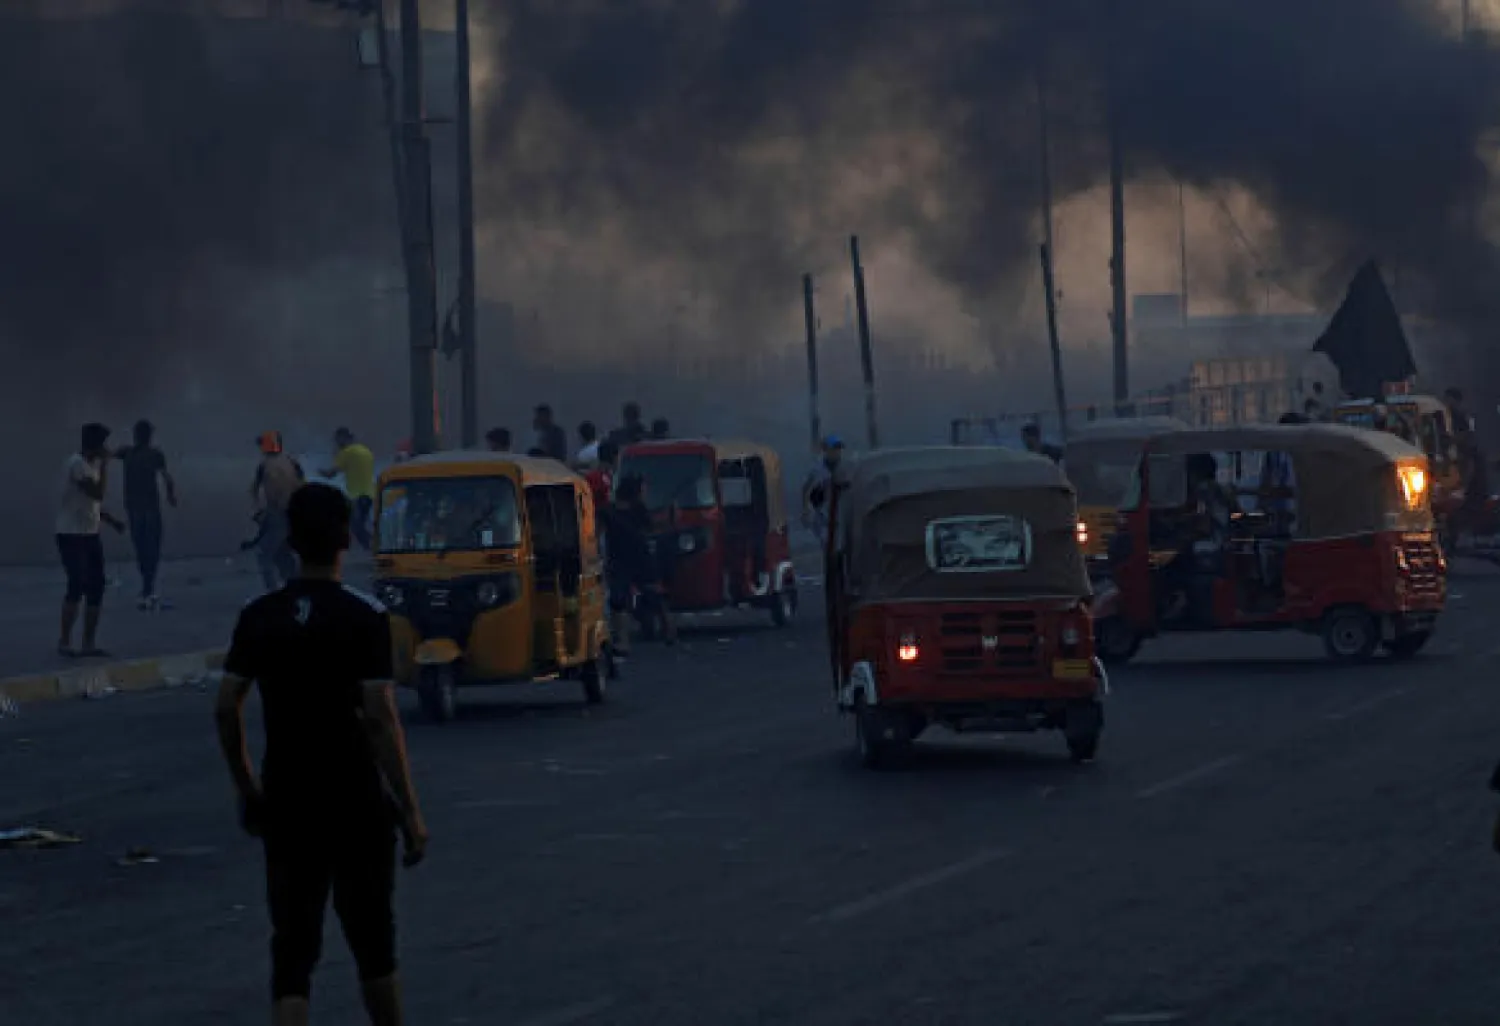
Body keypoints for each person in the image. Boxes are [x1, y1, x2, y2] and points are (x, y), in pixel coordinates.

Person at [215, 482, 427, 1026]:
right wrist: (410, 809)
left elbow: (226, 706)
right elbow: (380, 717)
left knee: (292, 954)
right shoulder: (365, 616)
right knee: (374, 945)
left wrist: (247, 788)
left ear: (290, 540)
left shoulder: (259, 615)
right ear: (344, 541)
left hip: (286, 797)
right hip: (355, 800)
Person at [57, 422, 126, 657]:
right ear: (94, 445)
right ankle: (65, 641)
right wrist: (106, 466)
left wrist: (111, 520)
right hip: (70, 536)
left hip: (90, 535)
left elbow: (92, 505)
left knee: (96, 588)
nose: (105, 449)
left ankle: (88, 643)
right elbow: (97, 493)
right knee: (76, 585)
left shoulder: (90, 466)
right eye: (102, 444)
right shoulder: (77, 464)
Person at [604, 474, 674, 654]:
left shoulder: (620, 511)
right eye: (642, 490)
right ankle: (625, 640)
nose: (644, 494)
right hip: (629, 559)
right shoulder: (616, 512)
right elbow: (651, 528)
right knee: (623, 600)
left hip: (630, 559)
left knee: (632, 598)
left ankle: (664, 629)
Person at [114, 419, 178, 609]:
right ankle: (147, 586)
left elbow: (167, 477)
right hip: (146, 508)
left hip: (137, 508)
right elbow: (167, 477)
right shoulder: (149, 454)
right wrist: (170, 495)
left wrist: (170, 493)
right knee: (150, 547)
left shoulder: (129, 453)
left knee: (143, 547)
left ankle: (147, 586)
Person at [252, 432, 305, 593]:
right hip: (296, 512)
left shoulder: (265, 465)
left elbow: (255, 491)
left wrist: (260, 513)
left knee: (264, 555)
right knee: (283, 553)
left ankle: (273, 593)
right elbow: (303, 485)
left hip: (278, 514)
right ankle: (296, 589)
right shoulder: (292, 462)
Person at [321, 428, 376, 551]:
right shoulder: (365, 450)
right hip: (370, 494)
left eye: (337, 440)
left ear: (343, 438)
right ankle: (372, 545)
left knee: (355, 526)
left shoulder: (346, 453)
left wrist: (318, 472)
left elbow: (331, 474)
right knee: (360, 524)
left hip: (357, 496)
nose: (336, 443)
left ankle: (372, 548)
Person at [801, 435, 845, 547]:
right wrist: (806, 510)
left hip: (842, 517)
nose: (837, 452)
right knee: (827, 546)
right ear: (826, 450)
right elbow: (806, 489)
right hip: (823, 518)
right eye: (834, 449)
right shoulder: (817, 469)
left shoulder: (846, 466)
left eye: (838, 449)